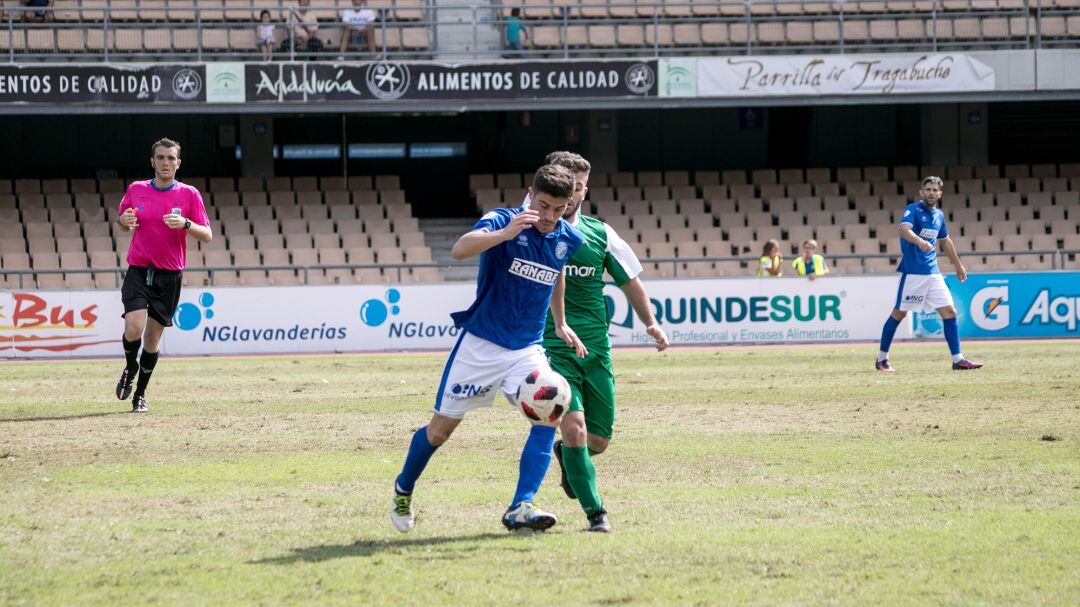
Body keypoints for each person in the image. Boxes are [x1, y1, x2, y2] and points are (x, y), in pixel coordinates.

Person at [391, 165, 587, 534]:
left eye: (558, 210)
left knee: (550, 409)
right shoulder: (504, 219)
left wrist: (559, 322)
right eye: (543, 206)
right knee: (439, 433)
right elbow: (460, 248)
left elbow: (556, 271)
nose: (549, 217)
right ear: (531, 193)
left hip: (526, 348)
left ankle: (521, 505)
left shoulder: (566, 236)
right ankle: (404, 488)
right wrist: (503, 234)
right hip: (481, 345)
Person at [536, 151, 669, 533]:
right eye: (568, 187)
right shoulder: (535, 230)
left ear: (583, 189)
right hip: (554, 344)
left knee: (599, 440)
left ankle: (567, 457)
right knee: (574, 427)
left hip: (596, 348)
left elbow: (630, 281)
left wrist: (651, 323)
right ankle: (597, 515)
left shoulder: (601, 233)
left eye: (578, 188)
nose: (574, 194)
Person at [115, 138, 212, 413]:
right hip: (138, 271)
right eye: (160, 158)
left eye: (171, 158)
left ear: (178, 163)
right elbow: (123, 220)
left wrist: (186, 224)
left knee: (152, 340)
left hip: (169, 277)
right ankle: (130, 367)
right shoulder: (136, 189)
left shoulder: (189, 194)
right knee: (133, 327)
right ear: (152, 161)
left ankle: (140, 395)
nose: (166, 162)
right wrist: (122, 221)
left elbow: (207, 235)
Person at [876, 176, 982, 372]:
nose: (931, 193)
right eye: (928, 189)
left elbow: (946, 241)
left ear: (940, 194)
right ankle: (882, 358)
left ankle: (958, 359)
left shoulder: (939, 215)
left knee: (950, 312)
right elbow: (904, 229)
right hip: (914, 273)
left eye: (935, 190)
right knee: (898, 314)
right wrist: (919, 241)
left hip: (933, 273)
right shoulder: (913, 209)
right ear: (921, 192)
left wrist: (958, 265)